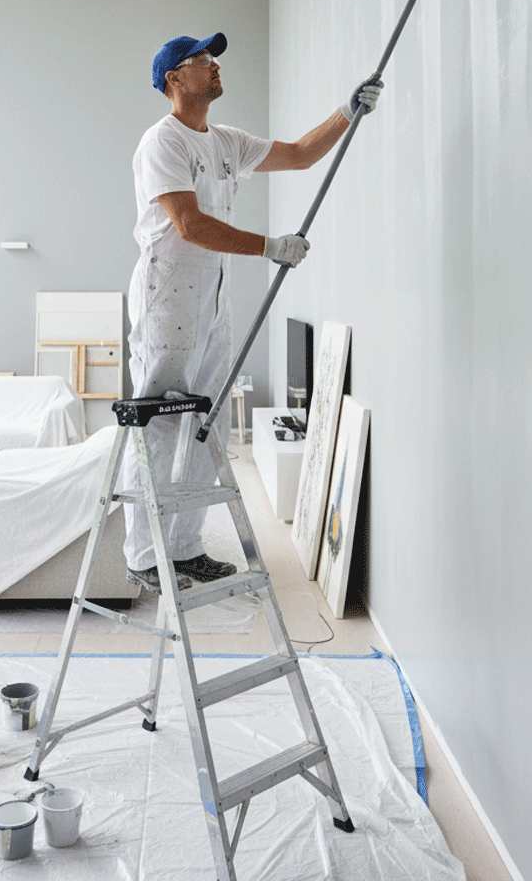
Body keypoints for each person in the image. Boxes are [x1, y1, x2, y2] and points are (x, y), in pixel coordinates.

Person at [121, 31, 383, 593]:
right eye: (201, 61)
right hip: (168, 294)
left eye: (214, 59)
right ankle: (144, 554)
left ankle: (186, 548)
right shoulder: (161, 142)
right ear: (174, 78)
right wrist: (268, 246)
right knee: (159, 417)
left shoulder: (223, 141)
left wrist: (347, 111)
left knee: (203, 420)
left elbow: (300, 154)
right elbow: (189, 226)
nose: (214, 67)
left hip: (212, 293)